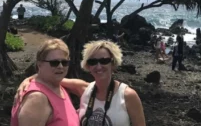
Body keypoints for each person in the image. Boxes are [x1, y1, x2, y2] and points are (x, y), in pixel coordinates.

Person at [16, 40, 146, 126]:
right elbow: (48, 78)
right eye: (92, 62)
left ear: (113, 63)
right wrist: (29, 79)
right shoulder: (85, 89)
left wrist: (31, 77)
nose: (98, 66)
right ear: (87, 66)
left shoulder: (127, 95)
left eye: (104, 60)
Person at [11, 39, 79, 126]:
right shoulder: (37, 98)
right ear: (39, 64)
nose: (60, 66)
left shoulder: (58, 87)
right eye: (54, 63)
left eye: (65, 62)